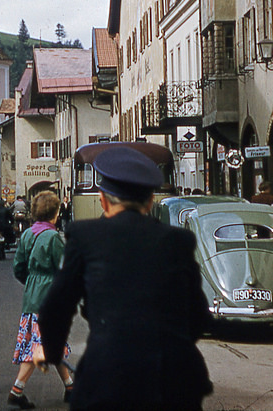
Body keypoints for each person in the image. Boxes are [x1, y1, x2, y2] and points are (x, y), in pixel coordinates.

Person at [37, 146, 212, 411]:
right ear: (150, 201)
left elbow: (56, 307)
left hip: (108, 377)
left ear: (104, 200)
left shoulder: (84, 237)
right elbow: (199, 315)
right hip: (174, 380)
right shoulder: (178, 241)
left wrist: (50, 351)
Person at [7, 191, 74, 409]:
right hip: (49, 297)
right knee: (40, 346)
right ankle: (17, 390)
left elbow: (18, 267)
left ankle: (70, 387)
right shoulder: (53, 237)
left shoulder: (27, 235)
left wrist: (31, 281)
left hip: (32, 296)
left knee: (47, 343)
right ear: (55, 214)